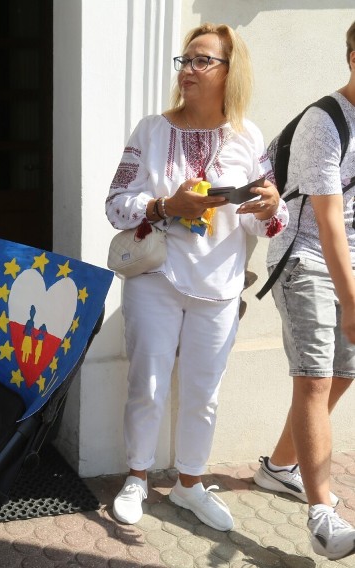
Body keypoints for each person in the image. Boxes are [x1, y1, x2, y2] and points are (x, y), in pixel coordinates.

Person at [105, 23, 288, 531]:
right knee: (148, 383)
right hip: (155, 278)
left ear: (231, 72)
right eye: (185, 61)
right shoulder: (150, 130)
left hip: (220, 286)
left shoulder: (249, 137)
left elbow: (264, 220)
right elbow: (116, 205)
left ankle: (189, 485)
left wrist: (271, 205)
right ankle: (137, 478)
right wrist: (165, 204)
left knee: (204, 392)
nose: (188, 70)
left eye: (201, 61)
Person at [253, 21, 355, 561]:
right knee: (315, 378)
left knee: (343, 373)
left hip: (348, 262)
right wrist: (353, 300)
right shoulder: (326, 120)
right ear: (353, 57)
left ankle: (278, 468)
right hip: (305, 256)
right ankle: (321, 515)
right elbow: (328, 220)